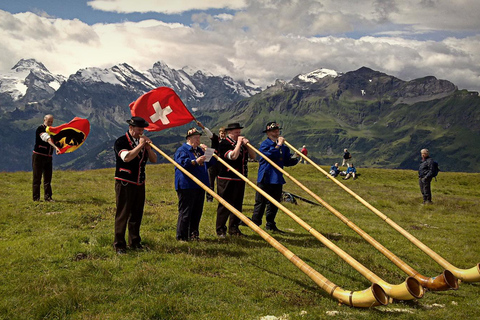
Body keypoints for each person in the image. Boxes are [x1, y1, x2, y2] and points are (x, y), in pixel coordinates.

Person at [113, 116, 157, 254]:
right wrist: (140, 145)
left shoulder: (142, 143)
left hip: (139, 182)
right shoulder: (121, 141)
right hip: (125, 182)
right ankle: (119, 244)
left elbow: (154, 160)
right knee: (123, 213)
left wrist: (148, 148)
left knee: (137, 214)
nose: (141, 133)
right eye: (139, 130)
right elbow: (126, 157)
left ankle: (135, 241)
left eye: (142, 130)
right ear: (131, 128)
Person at [251, 122, 299, 233]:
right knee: (260, 202)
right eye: (274, 131)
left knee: (275, 203)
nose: (276, 132)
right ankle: (255, 223)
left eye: (277, 130)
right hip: (265, 177)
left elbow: (286, 161)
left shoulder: (283, 147)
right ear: (268, 133)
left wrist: (296, 157)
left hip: (277, 178)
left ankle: (270, 224)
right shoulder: (265, 144)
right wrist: (278, 145)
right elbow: (270, 155)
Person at [174, 128, 216, 241]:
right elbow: (182, 163)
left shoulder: (199, 150)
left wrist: (209, 151)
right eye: (195, 138)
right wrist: (196, 161)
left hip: (200, 185)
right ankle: (182, 236)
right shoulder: (182, 150)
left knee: (197, 211)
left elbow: (211, 162)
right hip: (187, 185)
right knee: (186, 211)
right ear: (189, 139)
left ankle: (193, 233)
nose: (198, 140)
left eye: (199, 138)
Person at [216, 122, 256, 237]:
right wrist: (238, 143)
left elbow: (253, 156)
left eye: (239, 132)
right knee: (225, 205)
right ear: (229, 133)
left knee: (237, 204)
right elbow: (233, 156)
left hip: (240, 177)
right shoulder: (224, 143)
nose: (239, 134)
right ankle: (220, 230)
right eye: (236, 132)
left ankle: (234, 229)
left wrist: (247, 145)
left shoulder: (242, 145)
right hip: (227, 178)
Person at [32, 114, 61, 202]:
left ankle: (48, 197)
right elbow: (47, 139)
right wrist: (55, 147)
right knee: (37, 178)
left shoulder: (52, 131)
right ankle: (36, 198)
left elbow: (57, 141)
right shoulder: (40, 129)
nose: (50, 123)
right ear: (44, 120)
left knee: (48, 178)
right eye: (49, 121)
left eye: (51, 122)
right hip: (38, 156)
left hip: (48, 157)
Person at [196, 121, 226, 202]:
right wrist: (202, 127)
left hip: (221, 162)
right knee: (210, 181)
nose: (223, 134)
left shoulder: (227, 142)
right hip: (212, 161)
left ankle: (221, 198)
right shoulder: (216, 138)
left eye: (224, 133)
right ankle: (209, 198)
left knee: (221, 181)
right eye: (221, 133)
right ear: (219, 133)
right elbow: (209, 134)